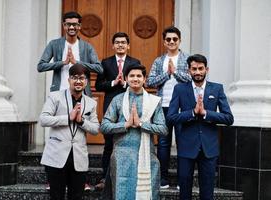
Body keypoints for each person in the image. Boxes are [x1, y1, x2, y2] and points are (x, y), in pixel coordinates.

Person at [166, 54, 234, 200]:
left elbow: (228, 118)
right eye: (194, 69)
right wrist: (191, 113)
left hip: (209, 148)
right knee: (184, 191)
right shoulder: (179, 89)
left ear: (206, 69)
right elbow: (170, 118)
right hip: (186, 147)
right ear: (189, 71)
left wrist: (205, 113)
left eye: (200, 68)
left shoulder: (217, 89)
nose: (197, 72)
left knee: (207, 192)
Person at [100, 64, 168, 200]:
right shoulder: (118, 100)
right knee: (122, 194)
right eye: (132, 76)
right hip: (121, 157)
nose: (135, 79)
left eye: (139, 76)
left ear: (144, 79)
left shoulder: (154, 102)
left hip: (146, 156)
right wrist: (126, 124)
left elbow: (163, 129)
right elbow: (104, 126)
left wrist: (141, 124)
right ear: (126, 78)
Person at [39, 64, 100, 200]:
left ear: (86, 82)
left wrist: (81, 121)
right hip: (56, 156)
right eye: (75, 78)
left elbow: (96, 129)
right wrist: (68, 118)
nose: (78, 81)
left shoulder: (91, 103)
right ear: (69, 80)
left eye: (82, 78)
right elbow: (43, 119)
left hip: (78, 157)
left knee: (77, 196)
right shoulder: (55, 97)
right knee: (56, 196)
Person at [146, 26, 191, 188]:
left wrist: (176, 72)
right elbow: (149, 82)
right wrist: (167, 74)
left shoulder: (187, 59)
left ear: (179, 40)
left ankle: (182, 180)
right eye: (168, 39)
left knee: (182, 144)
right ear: (164, 42)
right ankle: (163, 178)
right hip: (162, 106)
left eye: (174, 39)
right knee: (163, 144)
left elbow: (193, 79)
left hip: (182, 108)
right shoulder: (159, 61)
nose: (171, 42)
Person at [95, 32, 140, 189]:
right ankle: (105, 178)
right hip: (110, 106)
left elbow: (138, 82)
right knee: (109, 143)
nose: (120, 45)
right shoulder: (106, 63)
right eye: (117, 42)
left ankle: (129, 177)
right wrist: (114, 82)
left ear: (128, 45)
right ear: (113, 45)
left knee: (129, 142)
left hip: (130, 105)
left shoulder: (135, 62)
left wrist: (127, 83)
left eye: (123, 42)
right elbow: (98, 85)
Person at [37, 11, 103, 95]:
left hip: (82, 94)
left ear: (79, 26)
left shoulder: (87, 47)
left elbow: (99, 68)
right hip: (60, 92)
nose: (71, 27)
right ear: (64, 26)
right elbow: (40, 66)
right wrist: (63, 63)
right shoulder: (54, 44)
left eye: (75, 24)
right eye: (68, 24)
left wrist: (77, 63)